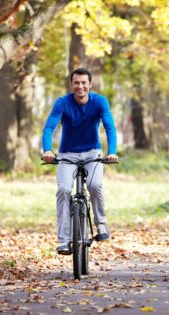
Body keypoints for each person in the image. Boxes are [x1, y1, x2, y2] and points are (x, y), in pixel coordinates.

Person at [41, 68, 118, 255]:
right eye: (76, 83)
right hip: (67, 154)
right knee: (63, 190)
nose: (80, 86)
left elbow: (110, 127)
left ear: (90, 84)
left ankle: (101, 225)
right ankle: (64, 240)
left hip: (93, 153)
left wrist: (112, 152)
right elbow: (49, 127)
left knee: (95, 185)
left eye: (84, 83)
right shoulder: (63, 103)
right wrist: (48, 150)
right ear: (72, 84)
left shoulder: (100, 101)